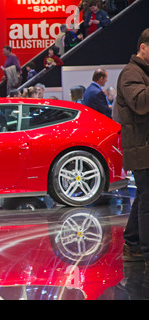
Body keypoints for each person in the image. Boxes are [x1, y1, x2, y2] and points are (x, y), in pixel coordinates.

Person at [116, 28, 149, 264]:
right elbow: (140, 103)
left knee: (143, 197)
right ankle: (146, 250)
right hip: (140, 148)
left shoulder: (142, 72)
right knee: (147, 200)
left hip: (143, 147)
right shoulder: (130, 73)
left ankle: (133, 241)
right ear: (143, 47)